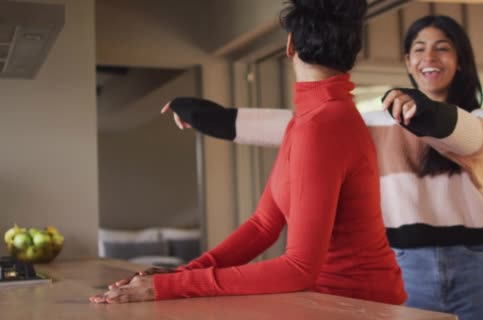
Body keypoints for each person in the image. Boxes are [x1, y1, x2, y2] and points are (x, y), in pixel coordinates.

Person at [158, 15, 483, 319]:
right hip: (407, 267)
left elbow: (467, 137)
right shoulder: (373, 122)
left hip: (475, 268)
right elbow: (297, 125)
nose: (429, 56)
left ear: (461, 60)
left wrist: (426, 113)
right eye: (419, 48)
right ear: (407, 61)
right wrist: (208, 116)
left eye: (442, 47)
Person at [89, 0, 406, 305]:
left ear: (290, 45)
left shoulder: (323, 125)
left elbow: (298, 269)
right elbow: (263, 225)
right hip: (329, 300)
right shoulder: (310, 121)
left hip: (358, 305)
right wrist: (183, 273)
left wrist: (170, 286)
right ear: (354, 51)